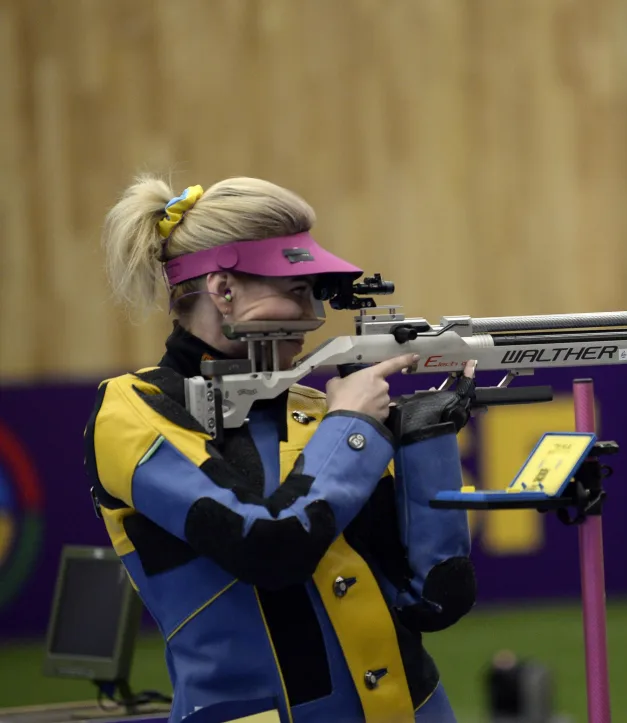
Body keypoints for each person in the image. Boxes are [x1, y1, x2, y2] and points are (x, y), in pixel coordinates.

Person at [84, 175, 478, 723]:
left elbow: (434, 599)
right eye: (295, 288)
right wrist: (353, 428)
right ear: (222, 290)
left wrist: (423, 433)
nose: (312, 308)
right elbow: (266, 547)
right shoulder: (132, 411)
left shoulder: (317, 410)